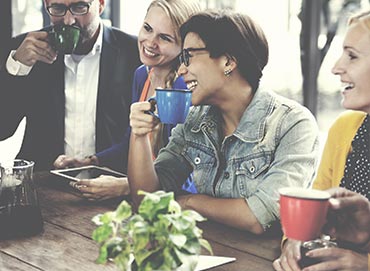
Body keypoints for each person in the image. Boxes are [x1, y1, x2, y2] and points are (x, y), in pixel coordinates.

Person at [128, 10, 320, 234]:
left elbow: (259, 216)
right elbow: (145, 201)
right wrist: (139, 135)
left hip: (266, 263)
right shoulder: (195, 120)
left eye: (188, 56)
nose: (181, 70)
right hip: (210, 255)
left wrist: (190, 202)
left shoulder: (293, 124)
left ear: (228, 61)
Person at [53, 0, 201, 201]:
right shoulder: (142, 74)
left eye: (165, 38)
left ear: (184, 46)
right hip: (144, 201)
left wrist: (126, 186)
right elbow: (130, 141)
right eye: (147, 28)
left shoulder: (185, 88)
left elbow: (187, 174)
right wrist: (91, 161)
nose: (150, 42)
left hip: (178, 207)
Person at [273, 10, 370, 271]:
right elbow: (311, 210)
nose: (336, 67)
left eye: (352, 55)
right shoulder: (345, 129)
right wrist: (294, 242)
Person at [0, 0, 140, 171]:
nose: (68, 20)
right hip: (45, 186)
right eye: (58, 8)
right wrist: (18, 67)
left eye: (79, 7)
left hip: (112, 185)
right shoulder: (25, 50)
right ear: (46, 5)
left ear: (101, 4)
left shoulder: (134, 52)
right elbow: (3, 130)